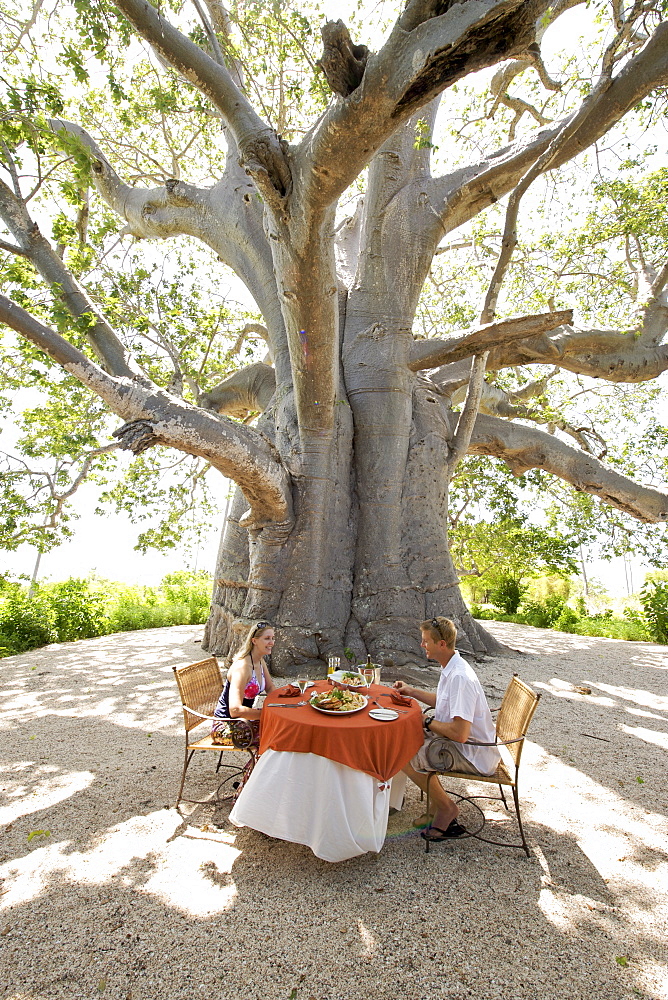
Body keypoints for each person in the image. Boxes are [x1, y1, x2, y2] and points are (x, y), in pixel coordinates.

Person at [394, 616, 501, 842]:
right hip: (466, 744)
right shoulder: (452, 665)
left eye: (426, 641)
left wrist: (426, 722)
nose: (422, 645)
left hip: (472, 753)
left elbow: (460, 734)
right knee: (401, 738)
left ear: (441, 644)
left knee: (401, 754)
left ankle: (446, 809)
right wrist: (412, 691)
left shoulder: (460, 677)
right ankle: (436, 805)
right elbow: (443, 702)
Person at [212, 620, 276, 744]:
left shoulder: (259, 661)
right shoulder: (242, 667)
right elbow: (235, 710)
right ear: (254, 641)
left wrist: (284, 703)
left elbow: (270, 688)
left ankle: (262, 763)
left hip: (243, 721)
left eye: (273, 638)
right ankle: (258, 764)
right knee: (276, 734)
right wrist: (266, 713)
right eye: (267, 638)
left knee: (282, 727)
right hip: (226, 726)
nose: (272, 642)